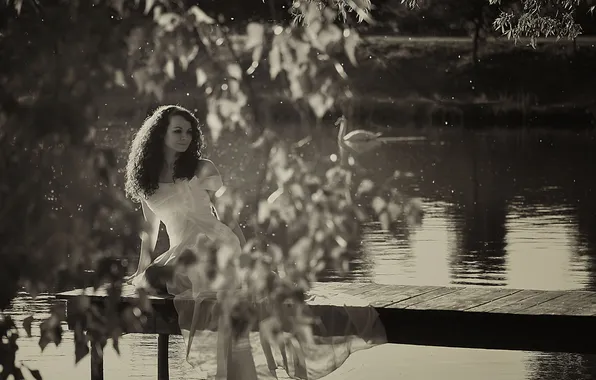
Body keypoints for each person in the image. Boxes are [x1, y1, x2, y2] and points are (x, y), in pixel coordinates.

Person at [123, 104, 387, 380]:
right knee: (154, 277)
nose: (185, 137)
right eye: (177, 130)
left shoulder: (202, 168)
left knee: (215, 286)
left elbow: (227, 217)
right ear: (158, 133)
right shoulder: (147, 180)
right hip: (179, 251)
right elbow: (149, 230)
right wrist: (141, 267)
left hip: (215, 242)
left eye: (189, 132)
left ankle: (235, 372)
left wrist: (245, 252)